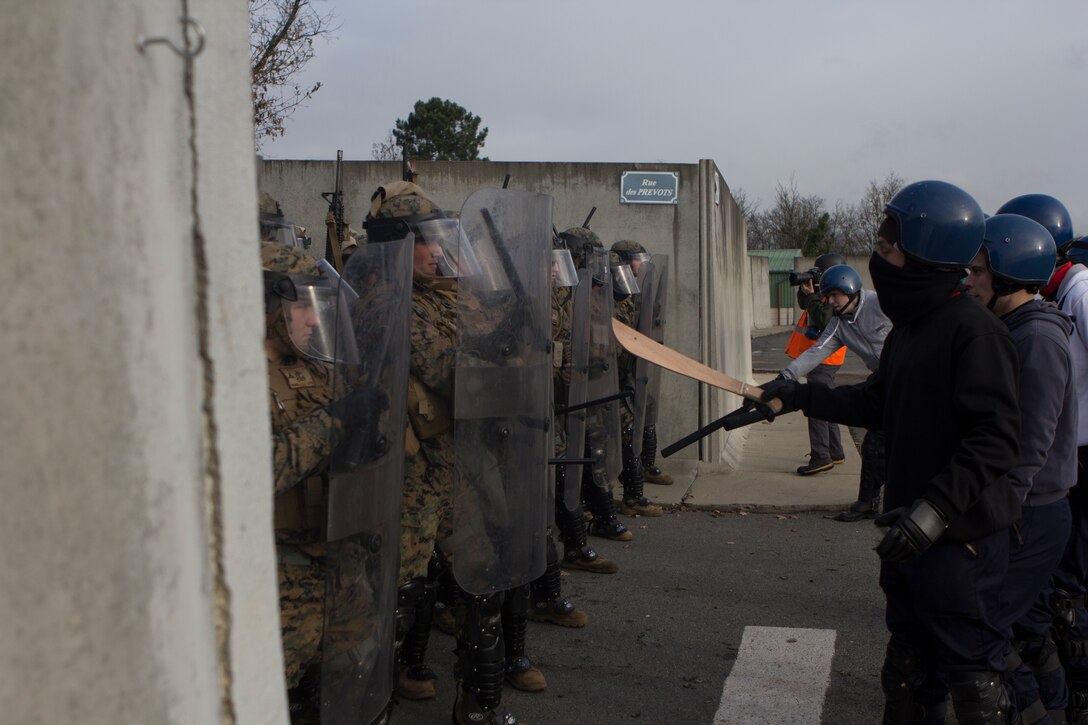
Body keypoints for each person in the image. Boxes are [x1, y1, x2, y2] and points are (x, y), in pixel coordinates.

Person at [763, 180, 1022, 724]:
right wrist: (797, 396)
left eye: (886, 250)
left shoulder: (975, 333)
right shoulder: (909, 330)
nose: (878, 262)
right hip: (906, 541)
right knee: (906, 674)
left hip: (960, 547)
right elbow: (878, 401)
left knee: (975, 686)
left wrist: (933, 514)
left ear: (927, 253)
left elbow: (996, 438)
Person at [366, 181, 531, 722]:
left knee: (483, 578)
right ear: (395, 246)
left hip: (449, 467)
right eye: (427, 241)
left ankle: (478, 705)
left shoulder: (441, 300)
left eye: (443, 239)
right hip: (406, 476)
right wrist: (507, 369)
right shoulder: (391, 307)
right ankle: (377, 703)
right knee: (399, 596)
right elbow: (454, 375)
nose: (440, 251)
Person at [263, 240, 397, 724]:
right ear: (266, 306)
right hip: (279, 569)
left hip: (338, 553)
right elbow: (256, 470)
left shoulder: (316, 367)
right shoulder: (229, 377)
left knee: (356, 678)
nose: (314, 320)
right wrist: (336, 422)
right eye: (300, 306)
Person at [964, 212, 1076, 723]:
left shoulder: (1038, 339)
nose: (969, 279)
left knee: (988, 629)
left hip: (1030, 509)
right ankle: (1057, 707)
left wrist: (996, 514)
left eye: (979, 271)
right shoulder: (1014, 327)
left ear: (1008, 273)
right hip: (1025, 507)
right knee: (1028, 625)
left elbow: (1030, 443)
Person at [998, 193, 1088, 723]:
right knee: (1044, 600)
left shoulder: (1077, 293)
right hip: (1060, 460)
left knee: (1067, 594)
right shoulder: (1056, 299)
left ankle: (1074, 698)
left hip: (1064, 465)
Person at [779, 264, 891, 521]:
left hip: (910, 372)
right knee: (875, 441)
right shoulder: (839, 324)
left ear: (850, 290)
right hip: (882, 376)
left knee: (905, 442)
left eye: (833, 296)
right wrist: (785, 377)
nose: (829, 301)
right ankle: (867, 502)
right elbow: (817, 351)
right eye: (826, 296)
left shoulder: (880, 304)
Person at [611, 239, 673, 486]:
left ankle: (647, 464)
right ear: (625, 262)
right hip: (616, 371)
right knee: (627, 423)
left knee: (647, 407)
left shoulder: (635, 289)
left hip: (635, 366)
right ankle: (631, 478)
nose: (641, 264)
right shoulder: (616, 292)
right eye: (637, 259)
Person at [784, 252, 848, 475]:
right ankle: (835, 451)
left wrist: (813, 297)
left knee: (817, 405)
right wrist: (807, 292)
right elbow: (807, 307)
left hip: (824, 359)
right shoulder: (823, 293)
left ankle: (821, 456)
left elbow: (822, 318)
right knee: (827, 402)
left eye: (819, 272)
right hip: (820, 358)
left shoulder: (837, 296)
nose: (816, 275)